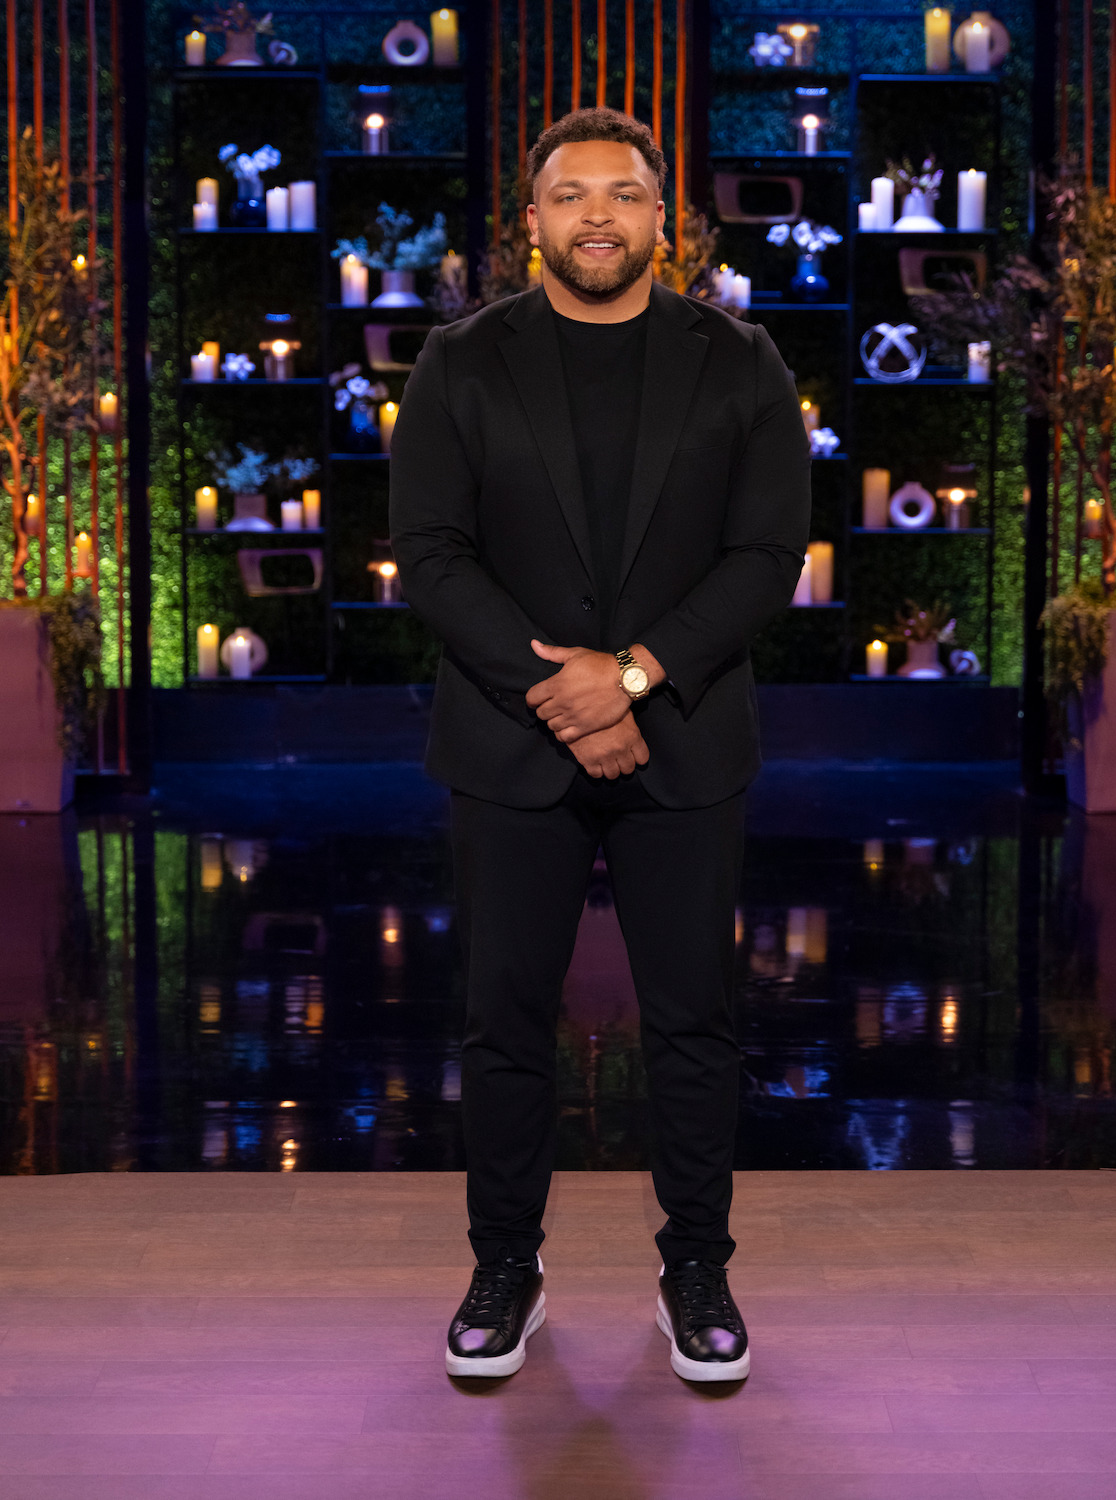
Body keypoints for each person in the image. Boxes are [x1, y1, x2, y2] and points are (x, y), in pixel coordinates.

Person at [390, 106, 810, 1383]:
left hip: (683, 740)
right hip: (508, 749)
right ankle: (504, 1268)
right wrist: (562, 691)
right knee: (502, 1024)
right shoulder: (460, 364)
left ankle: (699, 1273)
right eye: (570, 195)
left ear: (662, 220)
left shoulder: (741, 364)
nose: (596, 218)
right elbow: (435, 556)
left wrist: (627, 677)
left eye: (623, 195)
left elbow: (764, 558)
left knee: (694, 1024)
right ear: (531, 222)